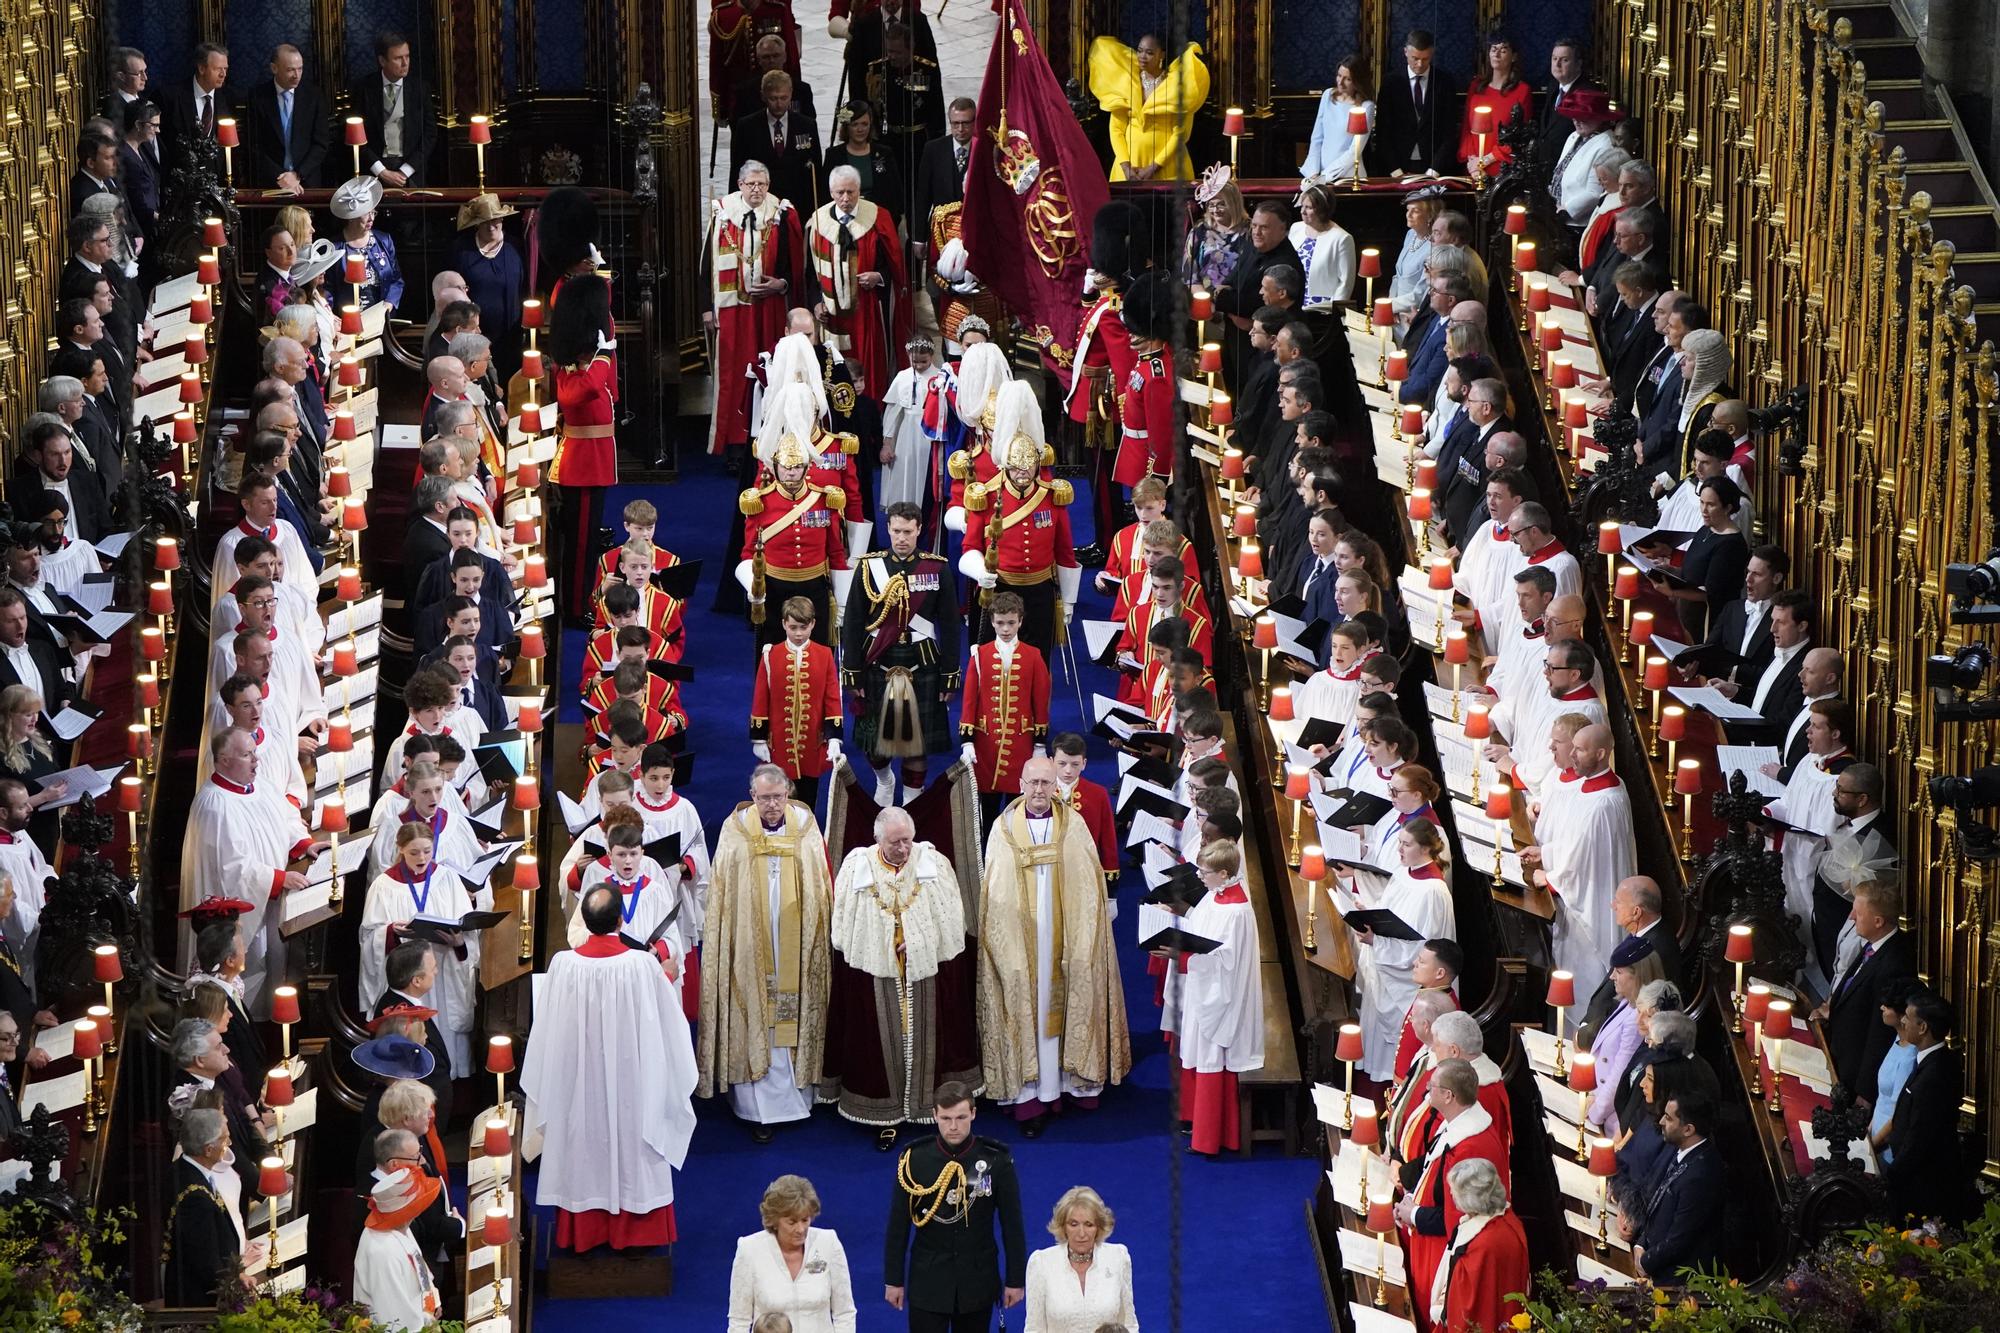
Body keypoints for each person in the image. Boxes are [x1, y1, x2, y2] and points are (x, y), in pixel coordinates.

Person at [524, 884, 697, 1250]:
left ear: (585, 923)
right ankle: (635, 1235)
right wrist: (665, 976)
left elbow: (547, 1032)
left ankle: (584, 1236)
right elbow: (666, 1024)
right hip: (631, 1082)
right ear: (621, 920)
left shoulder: (563, 965)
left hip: (579, 1084)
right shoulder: (642, 965)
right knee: (634, 1143)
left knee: (581, 1146)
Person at [978, 755, 1129, 1133]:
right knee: (1024, 1001)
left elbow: (1087, 883)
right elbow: (995, 891)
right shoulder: (1003, 829)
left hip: (1065, 937)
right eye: (1034, 783)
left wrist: (1084, 936)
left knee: (1071, 991)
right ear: (1021, 783)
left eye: (1047, 783)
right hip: (1022, 940)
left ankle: (1071, 1082)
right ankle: (1029, 1099)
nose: (1040, 790)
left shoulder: (1072, 825)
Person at [826, 807, 977, 1141]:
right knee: (879, 1043)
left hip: (923, 976)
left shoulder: (933, 865)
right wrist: (883, 944)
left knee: (927, 1037)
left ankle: (928, 1106)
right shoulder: (857, 868)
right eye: (896, 842)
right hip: (877, 977)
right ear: (878, 838)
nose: (904, 849)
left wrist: (919, 943)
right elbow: (844, 927)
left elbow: (953, 921)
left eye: (908, 841)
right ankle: (885, 1111)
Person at [702, 764, 835, 1141]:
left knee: (794, 1009)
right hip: (749, 943)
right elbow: (723, 893)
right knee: (755, 1010)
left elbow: (820, 885)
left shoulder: (805, 827)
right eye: (764, 798)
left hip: (796, 941)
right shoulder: (737, 831)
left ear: (789, 793)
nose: (772, 805)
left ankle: (799, 1097)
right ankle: (755, 1107)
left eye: (778, 797)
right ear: (753, 796)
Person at [180, 728, 321, 1010]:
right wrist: (280, 878)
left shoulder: (258, 784)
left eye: (255, 752)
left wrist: (304, 844)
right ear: (223, 761)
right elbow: (232, 870)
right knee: (251, 967)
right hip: (244, 910)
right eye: (246, 755)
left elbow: (284, 816)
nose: (256, 760)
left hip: (271, 895)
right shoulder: (215, 806)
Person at [884, 1080, 1028, 1329]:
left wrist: (1015, 1280)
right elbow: (898, 1224)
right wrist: (893, 1280)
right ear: (934, 1115)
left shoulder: (996, 1160)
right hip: (928, 1279)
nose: (953, 1127)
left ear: (973, 1113)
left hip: (978, 1280)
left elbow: (1012, 1225)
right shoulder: (914, 1160)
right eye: (946, 1118)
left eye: (961, 1117)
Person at [843, 501, 961, 803]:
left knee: (917, 743)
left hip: (922, 665)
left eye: (908, 531)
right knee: (874, 743)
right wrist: (852, 672)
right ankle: (884, 780)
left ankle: (911, 801)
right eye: (896, 531)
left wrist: (950, 675)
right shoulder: (870, 566)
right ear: (888, 529)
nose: (902, 538)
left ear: (919, 530)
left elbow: (949, 625)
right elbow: (854, 621)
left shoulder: (937, 568)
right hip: (877, 662)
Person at [1342, 820, 1458, 1080]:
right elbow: (1391, 912)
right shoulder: (1405, 873)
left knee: (1395, 1058)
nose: (1400, 850)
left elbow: (1423, 949)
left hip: (1405, 984)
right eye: (1399, 843)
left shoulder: (1432, 891)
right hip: (1384, 969)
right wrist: (1368, 911)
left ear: (1427, 848)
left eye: (1406, 844)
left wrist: (1377, 942)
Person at [1396, 1059, 1509, 1318]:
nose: (1426, 1088)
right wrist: (1411, 1201)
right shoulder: (1455, 1124)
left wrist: (1413, 1214)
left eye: (1432, 1085)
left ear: (1448, 1095)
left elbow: (1455, 1218)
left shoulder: (1469, 1147)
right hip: (1424, 1236)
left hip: (1437, 1250)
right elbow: (1430, 1172)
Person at [1172, 840, 1263, 1155]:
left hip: (1222, 996)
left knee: (1212, 1055)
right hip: (1205, 989)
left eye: (1205, 872)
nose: (1199, 876)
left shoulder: (1236, 911)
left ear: (1224, 873)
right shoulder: (1216, 897)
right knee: (1198, 1050)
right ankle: (1192, 1118)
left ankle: (1211, 1138)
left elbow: (1225, 961)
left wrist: (1181, 956)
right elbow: (1200, 936)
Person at [707, 164, 805, 457]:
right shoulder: (723, 213)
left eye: (762, 184)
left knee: (770, 371)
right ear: (739, 184)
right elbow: (706, 266)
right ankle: (736, 445)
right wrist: (706, 310)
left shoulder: (782, 214)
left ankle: (773, 438)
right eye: (750, 184)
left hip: (770, 309)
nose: (756, 190)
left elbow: (795, 267)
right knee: (735, 376)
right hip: (732, 312)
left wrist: (782, 284)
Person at [810, 163, 910, 400]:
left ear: (859, 190)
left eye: (851, 192)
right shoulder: (818, 221)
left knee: (870, 366)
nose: (845, 199)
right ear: (831, 192)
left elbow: (895, 265)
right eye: (839, 193)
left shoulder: (878, 217)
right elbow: (810, 271)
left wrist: (879, 277)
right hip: (833, 317)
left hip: (868, 311)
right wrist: (816, 302)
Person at [1819, 878, 1915, 1095]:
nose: (1852, 918)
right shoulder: (1874, 944)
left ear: (1878, 921)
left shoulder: (1893, 963)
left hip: (1854, 1075)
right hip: (1839, 1054)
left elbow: (1879, 1034)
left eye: (1859, 913)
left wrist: (1864, 1093)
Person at [728, 1174, 859, 1332]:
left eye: (805, 1220)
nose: (801, 1229)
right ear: (774, 1220)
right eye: (792, 1222)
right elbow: (739, 1320)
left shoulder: (828, 1242)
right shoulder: (749, 1249)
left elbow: (844, 1312)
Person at [1574, 877, 1683, 1050]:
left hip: (1612, 1045)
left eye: (1618, 901)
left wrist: (1587, 1035)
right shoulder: (1645, 933)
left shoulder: (1653, 949)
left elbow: (1628, 1006)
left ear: (1636, 912)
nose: (1613, 905)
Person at [1088, 33, 1210, 182]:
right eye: (1140, 51)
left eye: (1149, 53)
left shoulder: (1177, 85)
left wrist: (1154, 166)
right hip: (1129, 170)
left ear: (1162, 55)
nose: (1142, 56)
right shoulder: (1126, 83)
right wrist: (1125, 166)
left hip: (1169, 168)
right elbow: (1116, 129)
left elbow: (1181, 133)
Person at [163, 1108, 256, 1303]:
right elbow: (206, 1265)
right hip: (198, 1302)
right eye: (224, 1139)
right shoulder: (196, 1201)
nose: (228, 1144)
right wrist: (236, 1274)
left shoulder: (185, 1167)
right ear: (208, 1149)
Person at [1632, 1088, 1725, 1281]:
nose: (1661, 1122)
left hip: (1672, 1280)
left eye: (1668, 1117)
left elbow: (1680, 1240)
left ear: (1688, 1129)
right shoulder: (1681, 1150)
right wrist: (1640, 1244)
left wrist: (1645, 1262)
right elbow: (1657, 1202)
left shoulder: (1701, 1175)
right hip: (1649, 1256)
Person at [1429, 1157, 1528, 1333]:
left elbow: (1466, 1307)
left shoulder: (1481, 1247)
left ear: (1470, 1199)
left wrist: (1442, 1311)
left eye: (1454, 1191)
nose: (1451, 1194)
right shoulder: (1510, 1221)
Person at [1584, 945, 1673, 1138]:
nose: (1611, 977)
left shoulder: (1638, 1019)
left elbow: (1619, 1073)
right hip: (1598, 1101)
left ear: (1638, 975)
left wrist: (1594, 1114)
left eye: (1619, 971)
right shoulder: (1627, 1003)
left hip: (1610, 1119)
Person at [1022, 1186, 1138, 1333]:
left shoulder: (1117, 1258)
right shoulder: (1041, 1263)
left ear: (1099, 1227)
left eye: (1088, 1225)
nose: (1081, 1233)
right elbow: (1034, 1329)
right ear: (1063, 1226)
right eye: (1073, 1224)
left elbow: (1129, 1325)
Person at [351, 1159, 445, 1330]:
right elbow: (395, 1318)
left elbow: (419, 1267)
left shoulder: (401, 1227)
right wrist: (427, 1319)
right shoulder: (382, 1252)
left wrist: (433, 1300)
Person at [348, 32, 436, 186]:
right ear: (382, 60)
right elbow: (355, 136)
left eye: (407, 56)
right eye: (398, 58)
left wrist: (406, 170)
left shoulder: (420, 88)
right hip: (373, 171)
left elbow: (430, 134)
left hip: (411, 170)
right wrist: (380, 170)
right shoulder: (363, 88)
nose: (405, 63)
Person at [733, 71, 824, 218]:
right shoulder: (747, 126)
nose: (779, 104)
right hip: (760, 204)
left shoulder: (806, 125)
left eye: (783, 98)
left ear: (791, 94)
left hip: (799, 204)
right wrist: (736, 206)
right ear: (763, 96)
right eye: (773, 98)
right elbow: (737, 169)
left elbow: (816, 169)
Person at [1371, 30, 1458, 176]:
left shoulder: (1444, 82)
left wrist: (1434, 171)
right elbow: (1383, 131)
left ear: (1432, 53)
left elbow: (1449, 131)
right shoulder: (1391, 82)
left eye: (1425, 59)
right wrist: (1395, 171)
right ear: (1405, 52)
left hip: (1433, 166)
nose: (1419, 64)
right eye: (1415, 58)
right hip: (1397, 166)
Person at [244, 44, 330, 192]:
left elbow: (321, 144)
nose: (297, 75)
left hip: (306, 182)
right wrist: (281, 177)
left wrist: (297, 175)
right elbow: (253, 145)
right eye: (290, 70)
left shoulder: (314, 96)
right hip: (271, 183)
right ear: (274, 68)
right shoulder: (258, 97)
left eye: (300, 68)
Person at [1457, 33, 1533, 176]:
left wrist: (1485, 160)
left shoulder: (1522, 91)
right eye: (1493, 49)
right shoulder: (1476, 86)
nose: (1497, 54)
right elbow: (1466, 129)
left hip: (1502, 168)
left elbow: (1519, 136)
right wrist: (1473, 161)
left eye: (1503, 50)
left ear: (1514, 57)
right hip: (1473, 168)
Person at [159, 42, 232, 171]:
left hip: (213, 180)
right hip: (179, 179)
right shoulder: (170, 96)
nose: (223, 74)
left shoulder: (227, 97)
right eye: (217, 69)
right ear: (202, 68)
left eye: (225, 69)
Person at [1302, 56, 1375, 184]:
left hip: (1348, 176)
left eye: (1348, 79)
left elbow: (1354, 151)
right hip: (1318, 175)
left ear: (1358, 81)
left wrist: (1325, 176)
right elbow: (1317, 138)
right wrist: (1313, 172)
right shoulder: (1328, 95)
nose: (1340, 82)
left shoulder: (1366, 106)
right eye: (1339, 76)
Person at [914, 97, 976, 244]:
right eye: (955, 123)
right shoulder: (933, 149)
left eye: (965, 123)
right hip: (941, 234)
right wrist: (919, 239)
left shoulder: (983, 150)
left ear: (975, 122)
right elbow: (923, 196)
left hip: (975, 233)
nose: (960, 129)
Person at [1287, 183, 1356, 308]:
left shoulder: (1342, 238)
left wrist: (1335, 311)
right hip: (1293, 301)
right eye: (1302, 206)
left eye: (1308, 207)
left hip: (1322, 306)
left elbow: (1345, 283)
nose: (1302, 211)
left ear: (1322, 210)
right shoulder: (1296, 228)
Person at [1181, 168, 1249, 294]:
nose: (1215, 210)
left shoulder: (1250, 231)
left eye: (1221, 204)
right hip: (1204, 301)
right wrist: (1206, 303)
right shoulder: (1199, 231)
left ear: (1234, 204)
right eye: (1211, 205)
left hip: (1242, 300)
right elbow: (1190, 277)